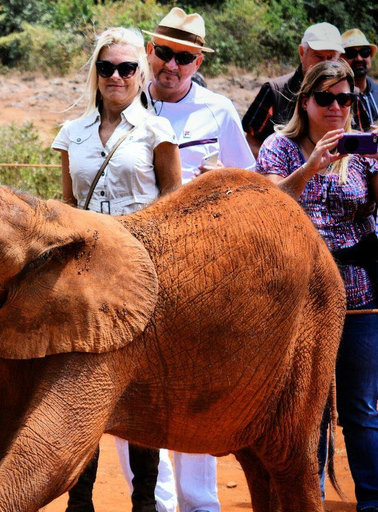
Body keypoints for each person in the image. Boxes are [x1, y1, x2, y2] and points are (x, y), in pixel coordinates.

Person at [111, 7, 257, 512]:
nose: (170, 66)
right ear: (149, 52)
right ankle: (152, 501)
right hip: (132, 266)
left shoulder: (217, 112)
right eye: (164, 53)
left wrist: (218, 184)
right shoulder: (124, 100)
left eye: (184, 57)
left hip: (203, 272)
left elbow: (249, 183)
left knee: (198, 385)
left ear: (198, 62)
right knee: (126, 384)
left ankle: (199, 503)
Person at [50, 26, 181, 512]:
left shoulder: (156, 132)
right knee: (82, 385)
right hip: (85, 274)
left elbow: (171, 202)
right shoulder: (72, 133)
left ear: (141, 74)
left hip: (141, 271)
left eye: (127, 68)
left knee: (143, 389)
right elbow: (66, 203)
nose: (116, 76)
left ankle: (144, 501)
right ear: (96, 74)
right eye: (107, 68)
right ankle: (79, 501)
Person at [255, 59, 378, 512]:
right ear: (304, 101)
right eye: (324, 98)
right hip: (298, 296)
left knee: (361, 410)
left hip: (359, 292)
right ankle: (310, 502)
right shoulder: (279, 148)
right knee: (307, 414)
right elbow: (268, 205)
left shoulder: (364, 152)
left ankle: (372, 502)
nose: (335, 107)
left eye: (344, 99)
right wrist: (311, 166)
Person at [242, 22, 343, 157]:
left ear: (339, 57)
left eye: (331, 57)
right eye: (318, 56)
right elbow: (250, 142)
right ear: (302, 52)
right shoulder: (275, 91)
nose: (324, 64)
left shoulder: (349, 95)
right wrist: (281, 165)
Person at [342, 29, 378, 132]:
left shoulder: (376, 91)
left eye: (364, 52)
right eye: (351, 53)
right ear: (340, 58)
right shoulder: (336, 96)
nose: (358, 58)